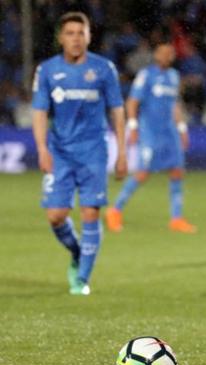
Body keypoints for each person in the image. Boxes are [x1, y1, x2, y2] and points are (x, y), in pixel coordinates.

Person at [32, 12, 127, 295]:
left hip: (94, 151)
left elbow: (117, 111)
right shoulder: (47, 70)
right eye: (70, 33)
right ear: (61, 38)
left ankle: (82, 278)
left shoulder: (103, 69)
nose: (76, 38)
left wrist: (121, 152)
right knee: (56, 216)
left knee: (89, 212)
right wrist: (41, 149)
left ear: (89, 36)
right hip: (60, 151)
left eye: (80, 32)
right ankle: (77, 253)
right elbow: (39, 111)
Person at [105, 42, 196, 234]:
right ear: (156, 55)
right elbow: (132, 102)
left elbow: (175, 105)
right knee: (142, 173)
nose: (168, 56)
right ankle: (115, 210)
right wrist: (133, 126)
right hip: (150, 131)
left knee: (177, 171)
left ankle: (176, 218)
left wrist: (181, 128)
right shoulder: (146, 75)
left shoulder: (173, 76)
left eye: (171, 53)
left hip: (169, 132)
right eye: (164, 53)